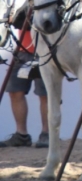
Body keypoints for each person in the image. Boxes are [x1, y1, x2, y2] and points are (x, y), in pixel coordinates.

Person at [0, 20, 48, 148]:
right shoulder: (20, 0)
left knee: (46, 94)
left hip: (46, 51)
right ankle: (21, 135)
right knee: (15, 91)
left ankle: (47, 134)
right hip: (22, 50)